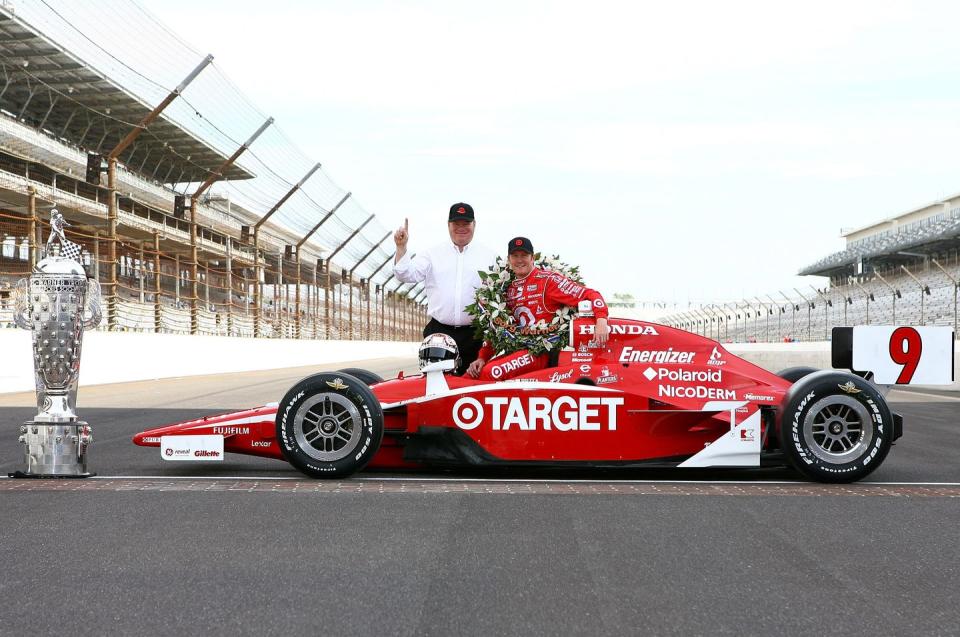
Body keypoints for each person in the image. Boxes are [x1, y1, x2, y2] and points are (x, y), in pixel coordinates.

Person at [466, 236, 610, 380]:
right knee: (472, 374)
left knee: (492, 372)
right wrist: (482, 357)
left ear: (532, 257)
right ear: (509, 259)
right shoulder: (505, 288)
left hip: (540, 352)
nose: (520, 260)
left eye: (524, 255)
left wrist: (601, 320)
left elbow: (590, 294)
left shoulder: (548, 280)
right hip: (517, 351)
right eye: (515, 256)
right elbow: (500, 329)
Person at [393, 202, 496, 375]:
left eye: (466, 224)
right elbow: (405, 275)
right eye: (456, 223)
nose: (461, 228)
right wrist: (401, 247)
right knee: (436, 387)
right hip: (439, 334)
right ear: (448, 225)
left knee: (471, 387)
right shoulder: (431, 253)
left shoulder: (489, 256)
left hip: (475, 335)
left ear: (474, 225)